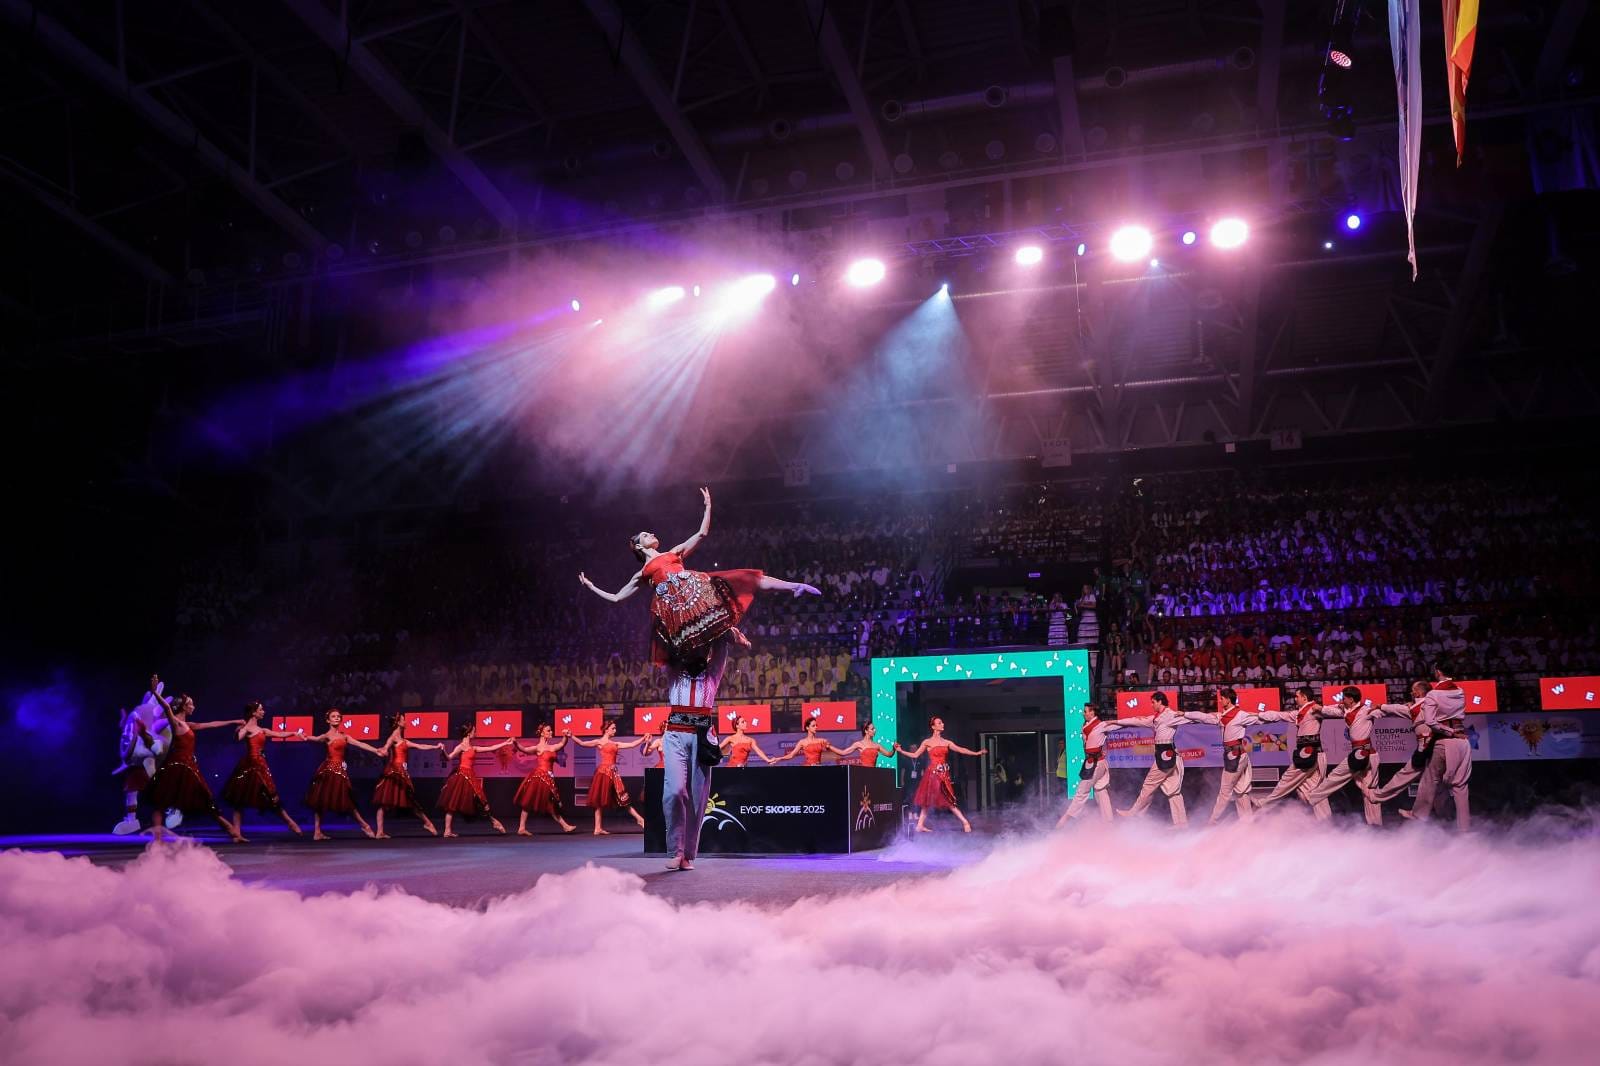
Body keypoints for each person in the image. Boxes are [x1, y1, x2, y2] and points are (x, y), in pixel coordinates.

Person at [576, 486, 819, 665]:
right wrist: (591, 586)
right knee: (699, 643)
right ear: (639, 546)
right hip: (678, 609)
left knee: (745, 578)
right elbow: (617, 597)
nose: (651, 533)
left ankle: (794, 586)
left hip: (697, 591)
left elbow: (702, 533)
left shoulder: (673, 553)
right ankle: (733, 637)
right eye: (646, 535)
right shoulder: (642, 573)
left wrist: (708, 507)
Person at [141, 677, 246, 843]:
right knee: (160, 801)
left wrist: (233, 721)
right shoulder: (175, 722)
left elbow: (212, 724)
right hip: (175, 766)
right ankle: (157, 841)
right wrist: (155, 692)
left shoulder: (189, 725)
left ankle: (233, 833)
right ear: (184, 706)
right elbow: (167, 707)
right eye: (191, 704)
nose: (193, 706)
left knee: (205, 798)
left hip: (188, 766)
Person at [220, 701, 305, 840]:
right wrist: (240, 728)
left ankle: (290, 822)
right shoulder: (247, 728)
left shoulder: (262, 730)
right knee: (239, 799)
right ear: (254, 713)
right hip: (249, 765)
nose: (263, 711)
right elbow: (238, 738)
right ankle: (237, 834)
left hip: (261, 765)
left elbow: (279, 734)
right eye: (261, 709)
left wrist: (295, 733)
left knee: (270, 794)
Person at [1303, 685, 1385, 826]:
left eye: (1344, 698)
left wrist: (1381, 708)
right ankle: (1314, 797)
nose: (1342, 700)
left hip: (1367, 753)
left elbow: (1380, 713)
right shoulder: (1345, 709)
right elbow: (1332, 710)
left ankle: (1375, 823)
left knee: (1365, 786)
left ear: (1351, 699)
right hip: (1356, 752)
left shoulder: (1365, 710)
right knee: (1343, 779)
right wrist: (1321, 708)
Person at [1253, 688, 1335, 820]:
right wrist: (1258, 715)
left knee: (1287, 780)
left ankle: (1262, 803)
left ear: (1304, 697)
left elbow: (1334, 712)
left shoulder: (1314, 710)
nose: (1295, 699)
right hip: (1306, 755)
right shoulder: (1298, 714)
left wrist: (1322, 708)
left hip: (1311, 755)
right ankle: (1326, 821)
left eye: (1297, 696)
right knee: (1313, 791)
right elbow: (1278, 715)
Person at [1183, 687, 1262, 825]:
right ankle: (1248, 821)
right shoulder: (1221, 716)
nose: (1220, 701)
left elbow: (1261, 719)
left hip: (1237, 755)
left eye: (1222, 698)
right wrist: (1185, 714)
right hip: (1233, 755)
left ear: (1228, 699)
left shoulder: (1241, 715)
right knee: (1240, 790)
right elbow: (1204, 717)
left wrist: (1286, 715)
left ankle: (1213, 821)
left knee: (1225, 790)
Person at [895, 717, 987, 833]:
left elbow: (961, 749)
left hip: (943, 775)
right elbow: (915, 755)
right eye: (939, 723)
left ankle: (921, 825)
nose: (942, 724)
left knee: (947, 799)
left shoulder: (946, 742)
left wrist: (976, 753)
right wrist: (901, 751)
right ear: (933, 726)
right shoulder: (927, 742)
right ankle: (964, 822)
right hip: (933, 775)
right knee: (932, 800)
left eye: (942, 722)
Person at [304, 709, 382, 840]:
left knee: (347, 798)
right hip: (328, 770)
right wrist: (305, 736)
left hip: (340, 771)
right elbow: (316, 738)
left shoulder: (345, 736)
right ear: (328, 720)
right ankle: (317, 832)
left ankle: (364, 825)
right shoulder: (326, 736)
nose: (336, 718)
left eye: (338, 716)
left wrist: (376, 750)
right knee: (320, 800)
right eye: (333, 716)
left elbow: (360, 744)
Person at [1115, 691, 1189, 827]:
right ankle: (1181, 823)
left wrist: (1212, 716)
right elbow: (1136, 721)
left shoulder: (1171, 715)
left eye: (1153, 702)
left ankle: (1135, 812)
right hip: (1168, 755)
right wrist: (1116, 721)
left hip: (1166, 756)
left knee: (1149, 784)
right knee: (1173, 791)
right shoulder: (1156, 718)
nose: (1151, 705)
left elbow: (1192, 719)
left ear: (1160, 701)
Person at [113, 678, 177, 835]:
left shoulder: (154, 726)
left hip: (147, 764)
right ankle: (131, 820)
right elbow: (130, 737)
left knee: (156, 789)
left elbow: (156, 745)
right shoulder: (138, 721)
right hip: (135, 765)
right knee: (131, 790)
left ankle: (171, 811)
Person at [371, 712, 443, 838]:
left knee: (409, 800)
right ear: (398, 723)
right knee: (385, 801)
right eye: (403, 720)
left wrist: (435, 747)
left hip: (402, 773)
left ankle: (427, 823)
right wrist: (384, 750)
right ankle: (380, 832)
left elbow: (420, 746)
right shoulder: (393, 736)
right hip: (394, 772)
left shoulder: (403, 740)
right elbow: (386, 746)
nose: (406, 722)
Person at [439, 724, 513, 837]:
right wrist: (443, 750)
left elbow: (490, 748)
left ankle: (494, 821)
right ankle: (447, 831)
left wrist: (505, 743)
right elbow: (449, 757)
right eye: (474, 731)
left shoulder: (474, 748)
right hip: (461, 776)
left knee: (480, 800)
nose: (476, 733)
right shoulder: (460, 747)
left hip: (471, 776)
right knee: (452, 803)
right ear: (469, 733)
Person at [574, 722, 648, 834]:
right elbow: (582, 743)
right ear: (606, 730)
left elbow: (632, 744)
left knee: (623, 798)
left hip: (613, 774)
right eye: (613, 728)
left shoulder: (615, 743)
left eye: (615, 728)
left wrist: (643, 738)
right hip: (603, 773)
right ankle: (597, 828)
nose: (615, 730)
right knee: (599, 800)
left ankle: (640, 819)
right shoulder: (599, 742)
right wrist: (571, 736)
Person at [1057, 703, 1125, 826]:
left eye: (1085, 711)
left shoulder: (1101, 725)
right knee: (1100, 791)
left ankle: (1067, 817)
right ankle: (1109, 823)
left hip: (1097, 763)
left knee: (1082, 790)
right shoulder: (1085, 727)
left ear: (1092, 712)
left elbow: (1119, 725)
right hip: (1094, 762)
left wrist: (1127, 721)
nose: (1083, 713)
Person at [512, 724, 577, 835]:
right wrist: (515, 743)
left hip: (548, 778)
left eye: (551, 730)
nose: (551, 732)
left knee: (551, 803)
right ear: (542, 733)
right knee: (528, 801)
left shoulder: (552, 747)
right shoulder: (538, 747)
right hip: (539, 777)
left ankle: (565, 826)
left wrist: (565, 736)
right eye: (548, 730)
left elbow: (562, 744)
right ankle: (522, 828)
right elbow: (525, 750)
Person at [771, 716, 850, 766]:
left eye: (816, 725)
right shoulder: (802, 742)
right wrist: (778, 759)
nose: (816, 727)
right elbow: (791, 755)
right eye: (813, 726)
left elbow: (837, 753)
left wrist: (845, 752)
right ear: (807, 728)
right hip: (807, 769)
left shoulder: (822, 741)